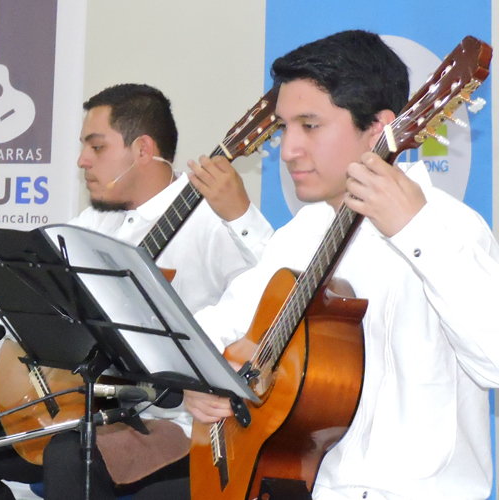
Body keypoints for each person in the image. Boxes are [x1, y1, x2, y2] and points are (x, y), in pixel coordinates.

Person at [183, 30, 499, 500]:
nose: (288, 149)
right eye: (285, 127)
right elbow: (218, 328)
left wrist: (414, 232)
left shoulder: (451, 228)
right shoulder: (301, 234)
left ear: (380, 128)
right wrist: (199, 381)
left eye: (309, 126)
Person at [0, 84, 275, 500]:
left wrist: (240, 215)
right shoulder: (94, 224)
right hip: (89, 408)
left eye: (96, 147)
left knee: (69, 455)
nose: (82, 161)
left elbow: (276, 292)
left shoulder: (212, 223)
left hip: (178, 421)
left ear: (143, 150)